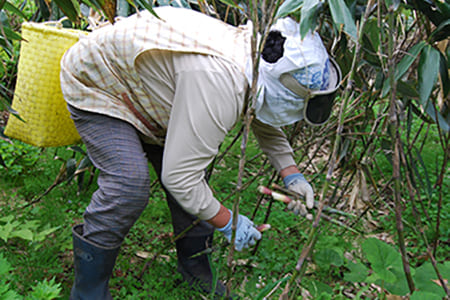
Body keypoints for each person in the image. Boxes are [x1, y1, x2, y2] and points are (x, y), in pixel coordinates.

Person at [60, 5, 341, 299]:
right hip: (100, 83)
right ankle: (88, 290)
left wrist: (291, 174)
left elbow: (260, 111)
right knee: (128, 184)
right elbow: (181, 178)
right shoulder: (220, 82)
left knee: (194, 169)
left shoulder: (251, 56)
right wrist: (227, 222)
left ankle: (196, 273)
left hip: (148, 90)